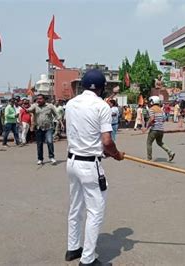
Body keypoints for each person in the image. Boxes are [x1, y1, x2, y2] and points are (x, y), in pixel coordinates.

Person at [64, 69, 125, 265]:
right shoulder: (102, 106)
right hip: (90, 165)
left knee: (75, 207)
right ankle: (88, 259)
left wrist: (105, 149)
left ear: (82, 85)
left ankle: (73, 248)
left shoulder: (70, 104)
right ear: (101, 87)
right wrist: (116, 155)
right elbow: (107, 141)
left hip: (72, 161)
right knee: (95, 211)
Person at [26, 94, 60, 165]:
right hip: (39, 128)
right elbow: (29, 110)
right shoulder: (35, 106)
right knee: (39, 144)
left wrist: (61, 124)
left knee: (50, 142)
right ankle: (40, 159)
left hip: (49, 128)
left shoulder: (50, 106)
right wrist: (26, 109)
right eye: (38, 99)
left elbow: (57, 115)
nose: (39, 100)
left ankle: (51, 157)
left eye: (40, 99)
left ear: (44, 99)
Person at [142, 96, 175, 162]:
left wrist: (146, 128)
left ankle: (149, 158)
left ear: (152, 101)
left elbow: (152, 119)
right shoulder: (161, 110)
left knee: (149, 143)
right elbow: (163, 120)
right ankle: (170, 152)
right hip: (161, 129)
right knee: (160, 142)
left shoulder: (151, 109)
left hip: (154, 129)